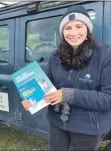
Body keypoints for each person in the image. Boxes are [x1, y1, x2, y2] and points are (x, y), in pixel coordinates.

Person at [21, 5, 111, 151]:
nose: (73, 33)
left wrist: (68, 95)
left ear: (87, 29)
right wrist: (33, 99)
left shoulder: (104, 56)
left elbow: (107, 98)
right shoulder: (55, 56)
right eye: (68, 28)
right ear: (62, 31)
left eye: (79, 26)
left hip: (88, 127)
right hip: (57, 122)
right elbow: (48, 87)